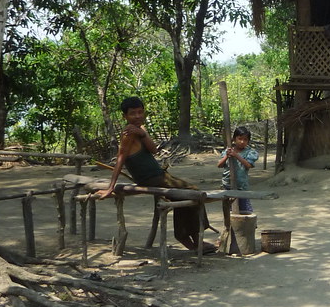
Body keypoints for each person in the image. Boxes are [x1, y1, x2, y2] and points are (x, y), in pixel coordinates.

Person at [97, 96, 216, 254]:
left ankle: (193, 240)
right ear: (124, 116)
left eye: (140, 112)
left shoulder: (140, 130)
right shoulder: (128, 134)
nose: (137, 116)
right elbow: (120, 159)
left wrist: (142, 133)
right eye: (133, 113)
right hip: (150, 178)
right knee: (193, 192)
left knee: (185, 196)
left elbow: (153, 149)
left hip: (159, 175)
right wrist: (110, 187)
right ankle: (191, 240)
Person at [217, 125, 259, 215]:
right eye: (240, 139)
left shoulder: (250, 152)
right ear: (234, 139)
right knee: (229, 211)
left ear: (248, 141)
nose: (242, 142)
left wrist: (236, 155)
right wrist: (227, 156)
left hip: (241, 185)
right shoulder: (228, 151)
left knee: (245, 210)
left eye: (245, 140)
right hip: (227, 184)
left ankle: (247, 223)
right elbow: (219, 165)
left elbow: (248, 165)